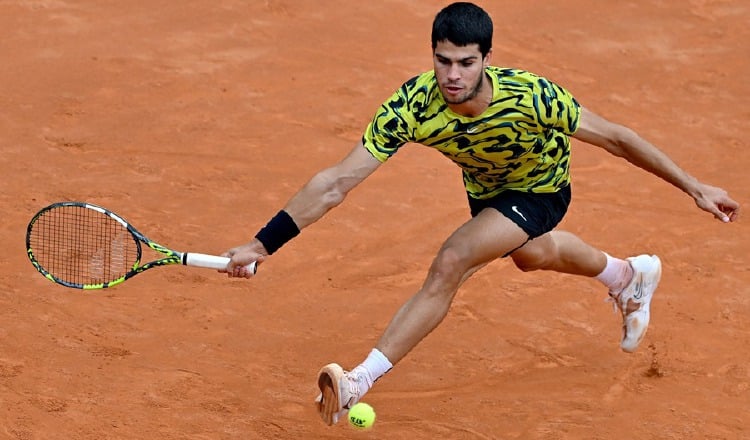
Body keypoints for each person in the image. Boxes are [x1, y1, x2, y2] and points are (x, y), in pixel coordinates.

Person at [221, 2, 740, 426]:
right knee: (532, 256)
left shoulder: (532, 96)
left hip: (541, 189)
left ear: (486, 58)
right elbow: (335, 182)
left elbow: (617, 138)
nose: (452, 75)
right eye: (443, 60)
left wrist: (694, 187)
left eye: (466, 62)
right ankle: (626, 275)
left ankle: (359, 379)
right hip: (488, 192)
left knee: (452, 261)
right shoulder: (412, 106)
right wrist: (262, 244)